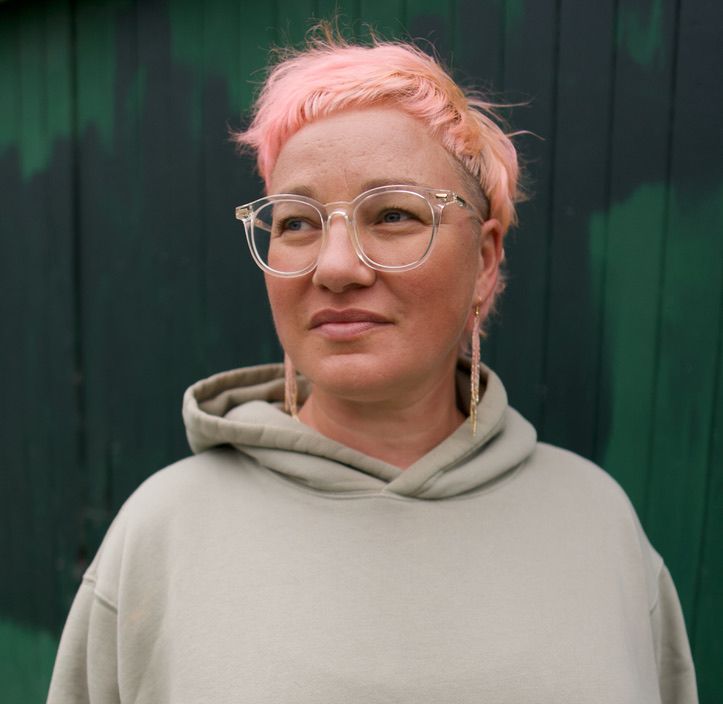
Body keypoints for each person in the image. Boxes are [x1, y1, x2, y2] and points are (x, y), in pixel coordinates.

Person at [47, 27, 697, 704]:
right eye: (297, 222)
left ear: (485, 261)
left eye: (391, 215)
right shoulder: (163, 534)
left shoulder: (596, 524)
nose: (335, 267)